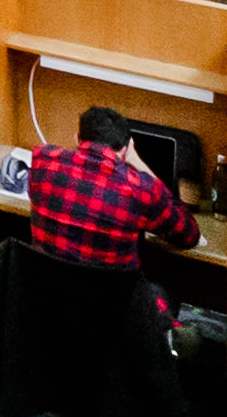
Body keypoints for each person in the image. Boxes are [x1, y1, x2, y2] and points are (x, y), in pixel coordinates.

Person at [23, 104, 203, 286]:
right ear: (126, 149)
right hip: (111, 306)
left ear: (78, 138)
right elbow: (189, 235)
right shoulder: (142, 188)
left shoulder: (43, 159)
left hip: (45, 295)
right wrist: (137, 161)